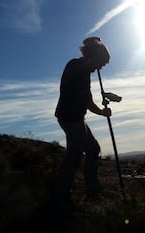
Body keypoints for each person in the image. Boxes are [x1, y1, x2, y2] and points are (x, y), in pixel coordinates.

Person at [54, 37, 111, 217]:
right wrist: (102, 112)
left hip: (74, 117)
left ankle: (92, 189)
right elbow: (87, 100)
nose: (100, 68)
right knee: (74, 155)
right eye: (101, 63)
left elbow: (86, 98)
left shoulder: (80, 67)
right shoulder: (79, 68)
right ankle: (62, 197)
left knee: (92, 149)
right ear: (94, 57)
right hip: (71, 118)